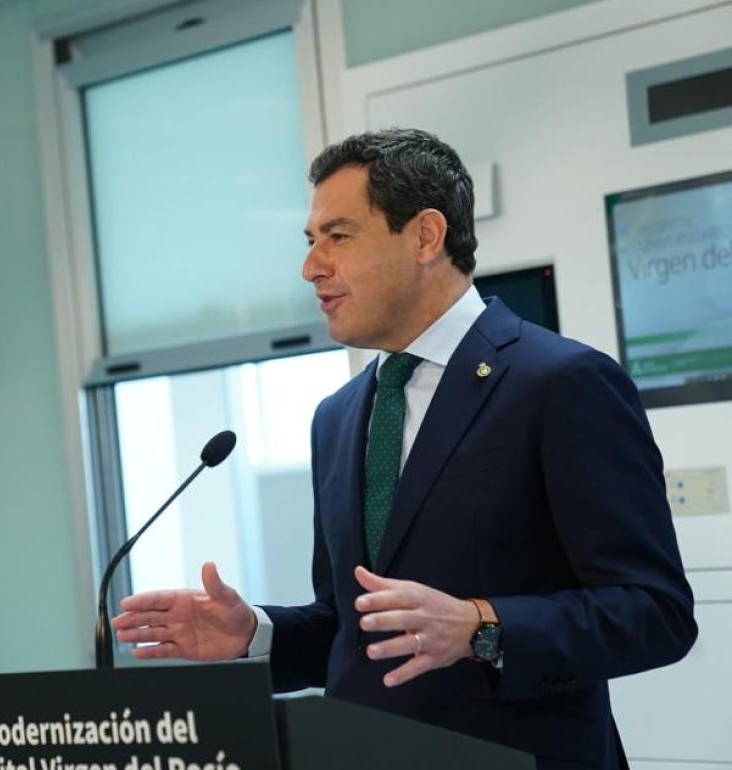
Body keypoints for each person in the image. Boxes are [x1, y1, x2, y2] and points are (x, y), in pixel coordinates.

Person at [111, 128, 697, 769]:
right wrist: (257, 635)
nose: (312, 267)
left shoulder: (560, 383)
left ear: (424, 236)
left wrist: (482, 625)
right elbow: (354, 627)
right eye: (311, 242)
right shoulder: (335, 418)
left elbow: (655, 612)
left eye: (338, 236)